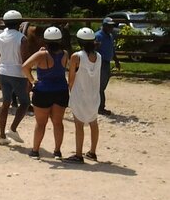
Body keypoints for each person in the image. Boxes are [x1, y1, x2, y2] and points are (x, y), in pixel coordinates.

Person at [21, 27, 69, 160]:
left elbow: (25, 66)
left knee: (40, 123)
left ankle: (35, 151)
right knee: (58, 123)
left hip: (43, 91)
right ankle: (57, 152)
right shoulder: (65, 53)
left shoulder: (41, 54)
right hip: (61, 90)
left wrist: (32, 80)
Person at [65, 27, 102, 164]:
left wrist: (69, 90)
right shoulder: (98, 56)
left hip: (80, 94)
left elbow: (71, 77)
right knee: (93, 123)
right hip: (93, 95)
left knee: (79, 125)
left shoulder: (76, 56)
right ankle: (92, 152)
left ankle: (78, 154)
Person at [0, 10, 30, 146]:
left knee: (5, 103)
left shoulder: (0, 37)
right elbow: (25, 60)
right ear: (19, 23)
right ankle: (13, 129)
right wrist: (29, 79)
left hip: (3, 72)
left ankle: (2, 135)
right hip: (18, 73)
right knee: (25, 103)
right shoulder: (22, 38)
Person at [95, 17, 120, 116]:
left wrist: (116, 60)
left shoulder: (110, 36)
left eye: (112, 26)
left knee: (102, 85)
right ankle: (100, 107)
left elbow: (112, 49)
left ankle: (98, 106)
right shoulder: (98, 36)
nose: (111, 28)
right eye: (109, 26)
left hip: (106, 63)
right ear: (104, 26)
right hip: (100, 63)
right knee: (100, 86)